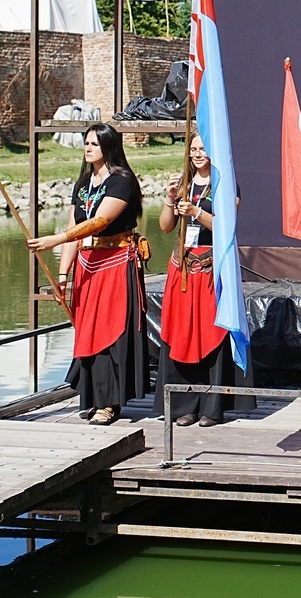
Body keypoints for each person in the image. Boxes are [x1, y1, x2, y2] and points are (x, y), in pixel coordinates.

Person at [28, 123, 147, 426]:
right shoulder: (83, 183)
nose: (88, 148)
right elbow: (74, 227)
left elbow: (100, 221)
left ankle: (109, 403)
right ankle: (93, 397)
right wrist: (63, 275)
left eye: (94, 143)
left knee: (109, 331)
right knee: (88, 332)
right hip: (87, 264)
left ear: (109, 147)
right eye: (86, 143)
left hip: (115, 263)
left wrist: (56, 239)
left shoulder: (122, 181)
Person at [156, 132, 238, 428]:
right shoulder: (184, 183)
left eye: (203, 148)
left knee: (210, 335)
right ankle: (184, 405)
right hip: (182, 268)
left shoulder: (225, 183)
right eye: (193, 149)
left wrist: (196, 211)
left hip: (210, 268)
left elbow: (227, 227)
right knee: (183, 334)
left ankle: (211, 408)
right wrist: (170, 200)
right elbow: (165, 227)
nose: (197, 154)